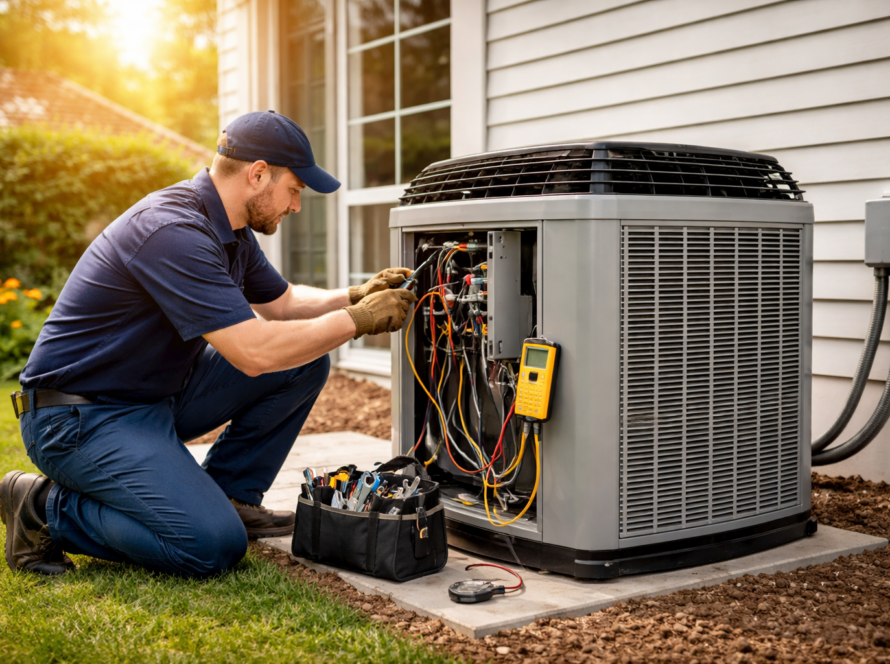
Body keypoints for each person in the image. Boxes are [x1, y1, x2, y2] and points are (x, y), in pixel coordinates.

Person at [0, 110, 417, 578]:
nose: (296, 206)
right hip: (78, 416)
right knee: (209, 546)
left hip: (150, 399)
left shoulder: (230, 229)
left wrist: (354, 294)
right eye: (295, 191)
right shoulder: (171, 230)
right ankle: (40, 506)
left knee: (303, 362)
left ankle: (230, 495)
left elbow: (281, 304)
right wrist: (357, 320)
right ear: (258, 174)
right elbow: (254, 352)